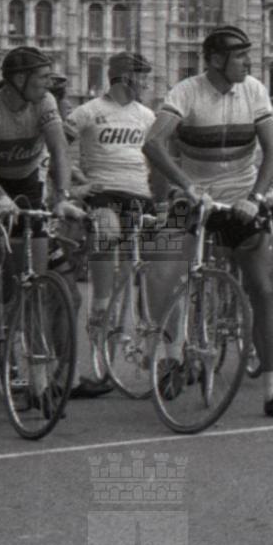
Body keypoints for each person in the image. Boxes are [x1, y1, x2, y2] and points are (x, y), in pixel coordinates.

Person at [141, 26, 273, 418]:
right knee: (162, 273)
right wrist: (186, 186)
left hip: (241, 198)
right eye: (240, 56)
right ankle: (171, 354)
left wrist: (256, 198)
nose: (248, 62)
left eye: (248, 54)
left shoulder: (254, 90)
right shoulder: (186, 92)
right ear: (216, 60)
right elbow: (153, 143)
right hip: (194, 198)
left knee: (262, 287)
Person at [64, 51, 159, 397]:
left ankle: (161, 351)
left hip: (140, 195)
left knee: (157, 262)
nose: (146, 83)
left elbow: (158, 156)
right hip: (103, 194)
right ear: (124, 77)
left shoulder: (147, 116)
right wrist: (74, 183)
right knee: (107, 248)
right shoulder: (88, 111)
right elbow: (54, 149)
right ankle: (99, 352)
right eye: (142, 76)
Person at [0, 46, 80, 345]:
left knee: (34, 278)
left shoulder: (44, 101)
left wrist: (62, 197)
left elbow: (59, 150)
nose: (48, 83)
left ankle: (26, 350)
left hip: (26, 184)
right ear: (19, 79)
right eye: (43, 77)